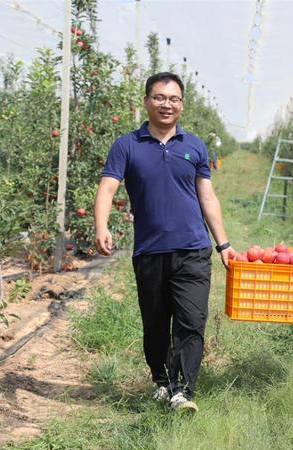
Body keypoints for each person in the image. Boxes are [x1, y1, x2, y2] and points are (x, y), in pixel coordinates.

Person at [94, 71, 235, 414]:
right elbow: (108, 187)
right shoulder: (127, 145)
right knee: (155, 324)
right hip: (149, 251)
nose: (166, 104)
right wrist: (101, 224)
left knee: (191, 320)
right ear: (146, 101)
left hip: (193, 249)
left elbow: (207, 197)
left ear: (182, 105)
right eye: (159, 97)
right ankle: (161, 378)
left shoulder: (194, 146)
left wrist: (223, 244)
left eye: (173, 99)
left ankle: (183, 391)